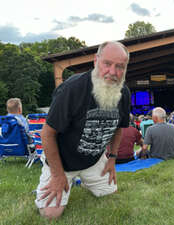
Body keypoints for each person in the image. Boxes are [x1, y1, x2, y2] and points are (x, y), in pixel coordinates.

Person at [35, 41, 131, 219]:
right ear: (96, 61)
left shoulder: (123, 93)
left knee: (109, 195)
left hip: (94, 161)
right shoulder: (72, 89)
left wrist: (112, 158)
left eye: (120, 67)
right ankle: (61, 179)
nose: (113, 72)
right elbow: (47, 134)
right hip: (62, 162)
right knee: (50, 214)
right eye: (107, 63)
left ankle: (86, 181)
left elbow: (119, 127)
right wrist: (57, 175)